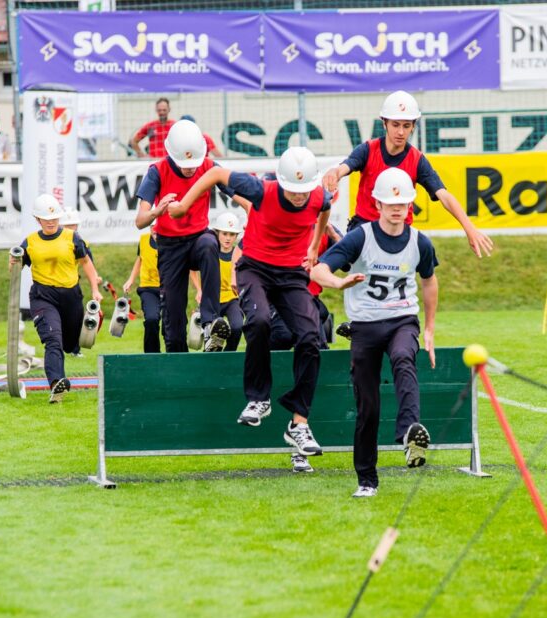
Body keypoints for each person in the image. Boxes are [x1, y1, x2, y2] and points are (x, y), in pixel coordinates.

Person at [168, 146, 331, 467]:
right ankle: (258, 399)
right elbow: (214, 173)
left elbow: (323, 210)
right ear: (281, 182)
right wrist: (185, 204)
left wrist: (314, 246)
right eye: (293, 191)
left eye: (304, 191)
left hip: (292, 275)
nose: (299, 198)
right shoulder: (260, 190)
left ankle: (299, 423)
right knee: (258, 322)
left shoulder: (317, 196)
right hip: (254, 267)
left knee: (311, 336)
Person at [311, 167, 439, 498]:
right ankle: (367, 479)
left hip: (401, 319)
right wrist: (339, 281)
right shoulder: (360, 238)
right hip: (365, 325)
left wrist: (429, 329)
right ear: (378, 205)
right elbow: (319, 268)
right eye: (390, 203)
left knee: (403, 358)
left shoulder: (419, 242)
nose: (397, 209)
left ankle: (410, 432)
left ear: (410, 205)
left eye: (403, 203)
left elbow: (429, 280)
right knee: (368, 406)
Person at [322, 90, 494, 261]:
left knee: (424, 259)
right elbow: (345, 166)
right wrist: (334, 172)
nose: (401, 132)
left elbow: (444, 196)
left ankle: (342, 245)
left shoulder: (417, 160)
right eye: (395, 124)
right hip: (364, 227)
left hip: (398, 231)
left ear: (413, 126)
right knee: (356, 267)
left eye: (406, 125)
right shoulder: (367, 150)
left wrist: (469, 228)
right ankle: (342, 246)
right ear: (384, 123)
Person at [134, 118, 238, 353]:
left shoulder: (209, 167)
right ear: (172, 154)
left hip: (198, 238)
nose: (190, 168)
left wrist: (251, 208)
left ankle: (211, 321)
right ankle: (177, 357)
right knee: (173, 312)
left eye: (194, 162)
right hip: (170, 247)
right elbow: (140, 220)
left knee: (210, 244)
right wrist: (157, 211)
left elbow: (236, 192)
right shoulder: (157, 171)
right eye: (184, 163)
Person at [10, 194, 102, 404]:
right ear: (37, 219)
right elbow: (14, 268)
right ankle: (57, 383)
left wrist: (95, 289)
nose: (51, 222)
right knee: (53, 340)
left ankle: (67, 355)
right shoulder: (30, 242)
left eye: (54, 218)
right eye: (46, 218)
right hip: (43, 296)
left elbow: (86, 262)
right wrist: (13, 261)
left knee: (70, 343)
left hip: (71, 296)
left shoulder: (72, 238)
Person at [123, 229, 163, 354]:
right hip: (148, 288)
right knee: (151, 319)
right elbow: (140, 259)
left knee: (171, 326)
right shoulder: (144, 239)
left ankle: (174, 359)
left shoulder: (172, 240)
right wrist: (131, 280)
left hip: (169, 288)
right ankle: (152, 356)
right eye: (153, 227)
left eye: (158, 226)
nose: (155, 230)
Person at [211, 211, 244, 351]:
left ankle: (229, 355)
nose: (228, 238)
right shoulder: (210, 251)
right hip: (213, 298)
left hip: (232, 299)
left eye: (232, 234)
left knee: (237, 327)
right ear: (217, 233)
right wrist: (199, 290)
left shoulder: (239, 254)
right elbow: (192, 269)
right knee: (215, 337)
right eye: (224, 233)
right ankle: (213, 359)